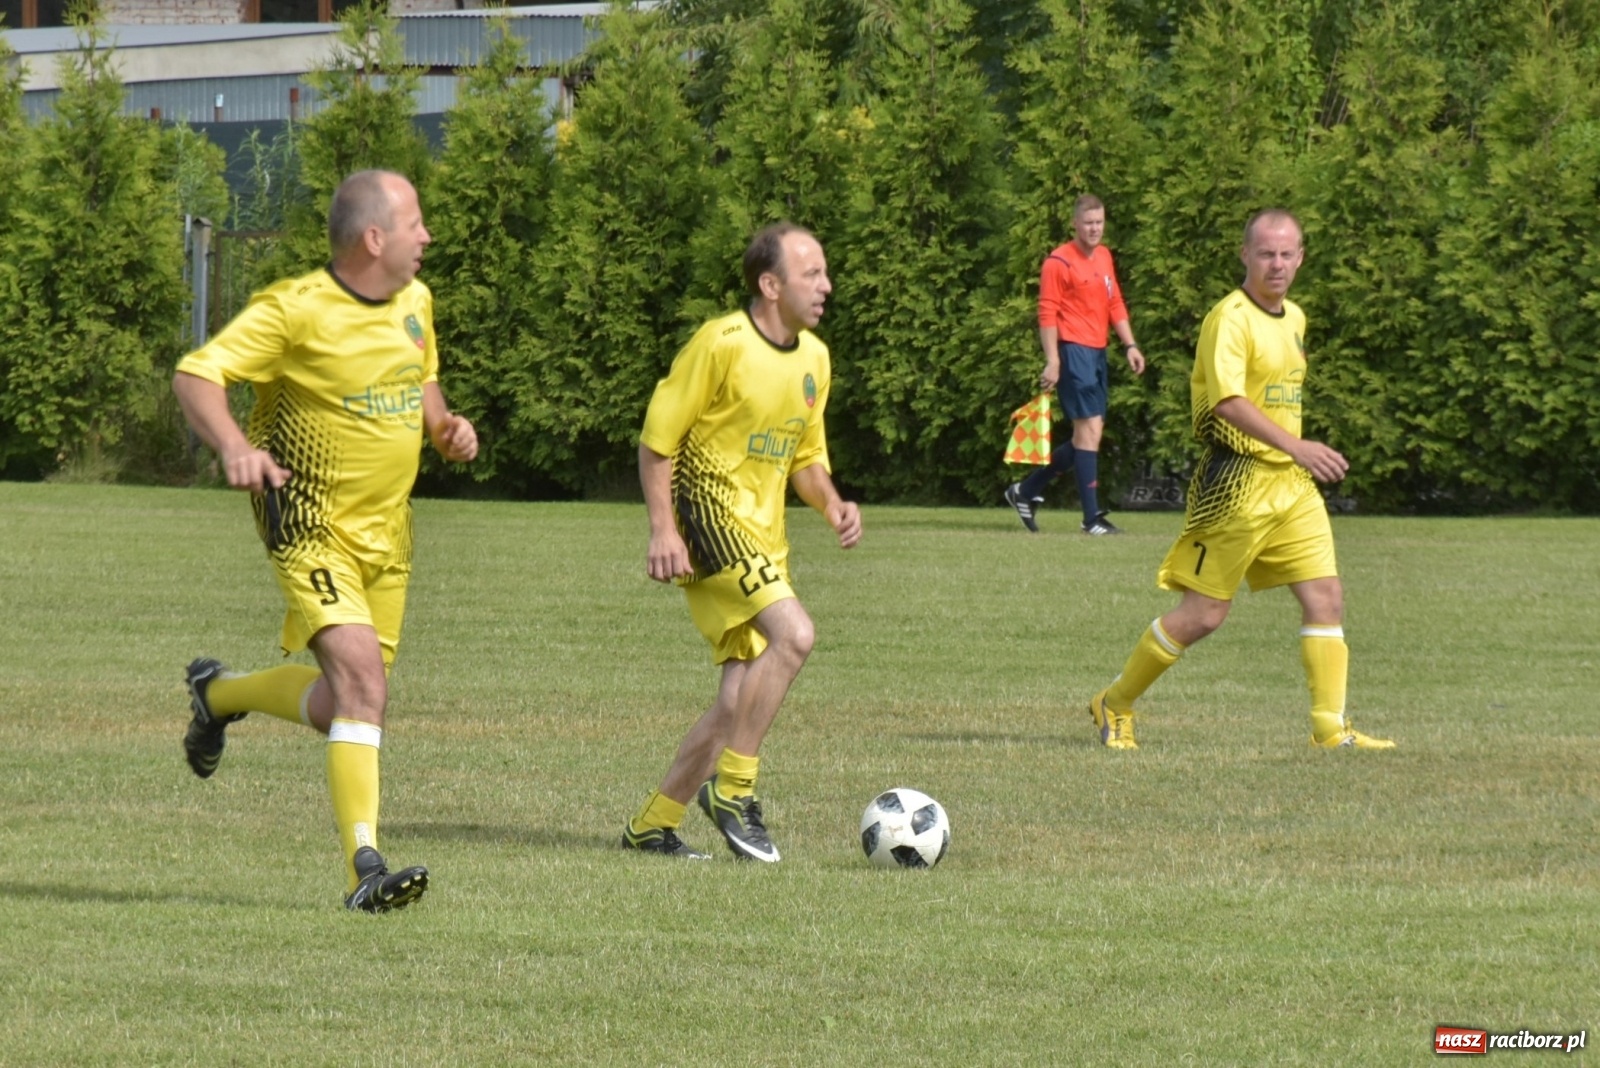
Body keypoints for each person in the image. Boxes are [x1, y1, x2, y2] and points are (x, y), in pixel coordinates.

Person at [172, 169, 479, 911]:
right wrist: (233, 446)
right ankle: (364, 871)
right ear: (375, 238)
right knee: (365, 687)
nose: (428, 236)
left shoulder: (416, 301)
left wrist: (444, 428)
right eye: (416, 223)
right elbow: (196, 375)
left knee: (346, 699)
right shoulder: (295, 309)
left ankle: (217, 695)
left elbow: (423, 381)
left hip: (389, 530)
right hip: (306, 523)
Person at [1086, 209, 1393, 751]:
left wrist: (1294, 456)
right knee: (1204, 615)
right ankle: (1116, 702)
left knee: (1325, 595)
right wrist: (1297, 445)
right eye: (1266, 253)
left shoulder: (1295, 318)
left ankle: (1328, 728)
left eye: (1287, 253)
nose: (1277, 264)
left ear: (1301, 257)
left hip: (1291, 486)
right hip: (1234, 484)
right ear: (1245, 255)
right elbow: (1228, 402)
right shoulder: (1228, 318)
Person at [621, 223, 862, 863]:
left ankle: (653, 822)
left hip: (765, 536)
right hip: (706, 518)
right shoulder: (721, 343)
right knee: (796, 635)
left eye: (824, 272)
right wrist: (662, 528)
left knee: (736, 701)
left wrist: (833, 503)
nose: (826, 286)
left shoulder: (815, 358)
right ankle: (734, 790)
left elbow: (806, 458)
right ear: (769, 283)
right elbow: (657, 441)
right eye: (812, 274)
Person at [1006, 194, 1145, 535]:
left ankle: (1024, 491)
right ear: (1075, 224)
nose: (1095, 228)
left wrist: (1130, 344)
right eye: (1088, 223)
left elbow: (1115, 302)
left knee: (1089, 435)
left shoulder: (1105, 257)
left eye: (1099, 222)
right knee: (1089, 432)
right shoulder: (1058, 262)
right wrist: (1053, 360)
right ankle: (1091, 519)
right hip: (1073, 352)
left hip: (1097, 352)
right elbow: (1047, 313)